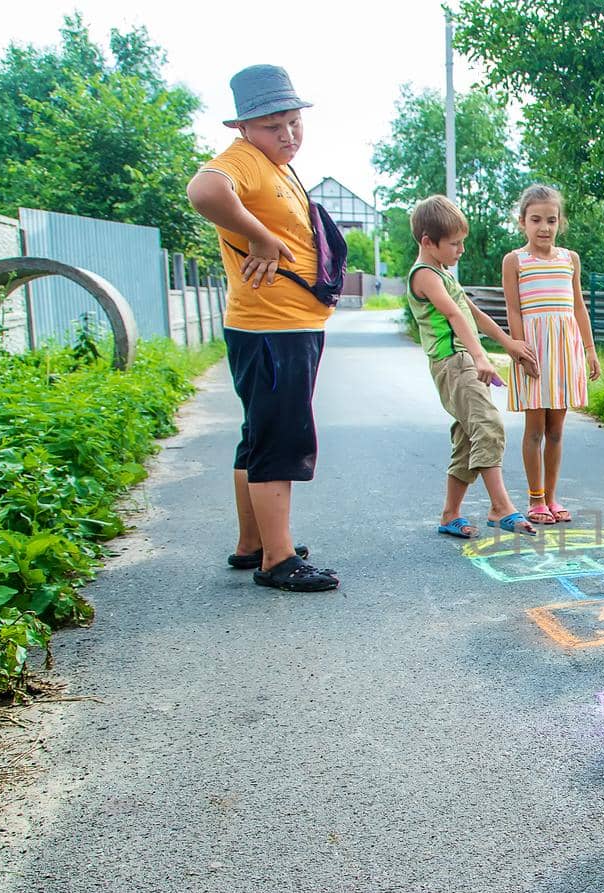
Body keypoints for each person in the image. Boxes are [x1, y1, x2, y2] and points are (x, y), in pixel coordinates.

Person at [187, 64, 339, 592]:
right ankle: (277, 560)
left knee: (257, 436)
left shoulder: (274, 166)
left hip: (283, 325)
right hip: (272, 328)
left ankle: (252, 543)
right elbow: (203, 192)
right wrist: (259, 237)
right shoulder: (243, 162)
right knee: (279, 436)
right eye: (274, 125)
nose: (289, 134)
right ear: (242, 127)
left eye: (294, 122)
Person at [404, 195, 540, 538]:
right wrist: (480, 357)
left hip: (463, 360)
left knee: (469, 438)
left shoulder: (444, 274)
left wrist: (508, 345)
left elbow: (472, 314)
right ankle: (501, 506)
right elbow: (451, 315)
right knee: (489, 425)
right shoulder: (425, 276)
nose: (461, 250)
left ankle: (450, 515)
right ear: (427, 242)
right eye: (455, 244)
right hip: (453, 362)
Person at [501, 185, 601, 526]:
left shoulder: (569, 259)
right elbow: (513, 310)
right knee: (534, 429)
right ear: (522, 222)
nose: (544, 227)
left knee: (556, 430)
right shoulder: (515, 261)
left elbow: (578, 307)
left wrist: (589, 350)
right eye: (536, 220)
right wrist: (519, 348)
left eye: (551, 220)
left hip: (564, 351)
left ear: (561, 222)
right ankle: (535, 498)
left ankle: (553, 496)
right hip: (533, 351)